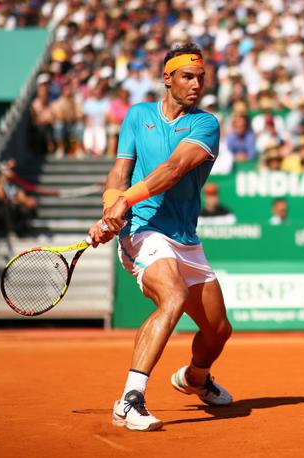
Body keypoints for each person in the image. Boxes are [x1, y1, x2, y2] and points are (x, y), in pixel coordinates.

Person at [88, 43, 233, 432]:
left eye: (201, 77)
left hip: (184, 236)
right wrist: (110, 207)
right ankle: (130, 399)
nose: (196, 84)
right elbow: (121, 171)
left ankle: (195, 378)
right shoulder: (137, 116)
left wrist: (124, 200)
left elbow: (172, 170)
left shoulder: (206, 124)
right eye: (187, 76)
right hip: (144, 230)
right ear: (167, 79)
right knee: (173, 297)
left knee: (219, 330)